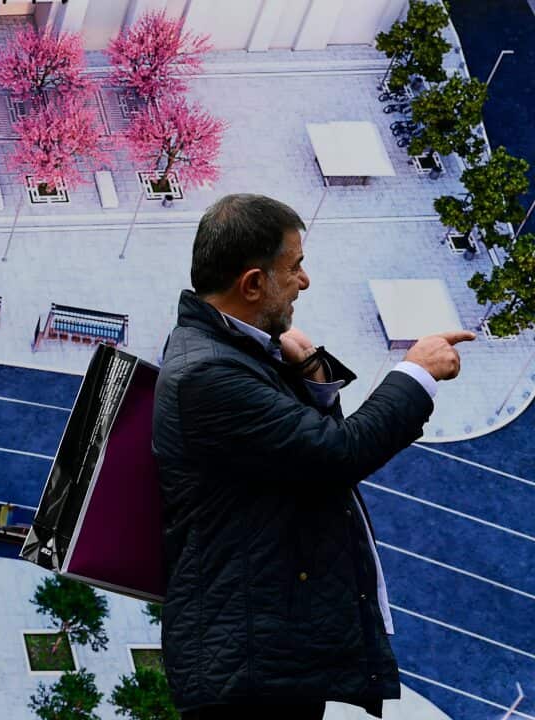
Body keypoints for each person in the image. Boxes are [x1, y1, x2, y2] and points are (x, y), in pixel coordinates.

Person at [151, 194, 473, 720]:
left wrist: (313, 375)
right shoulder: (209, 373)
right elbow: (336, 454)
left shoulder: (229, 347)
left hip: (265, 648)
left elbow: (300, 451)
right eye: (294, 267)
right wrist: (416, 373)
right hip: (250, 664)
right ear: (253, 284)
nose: (304, 281)